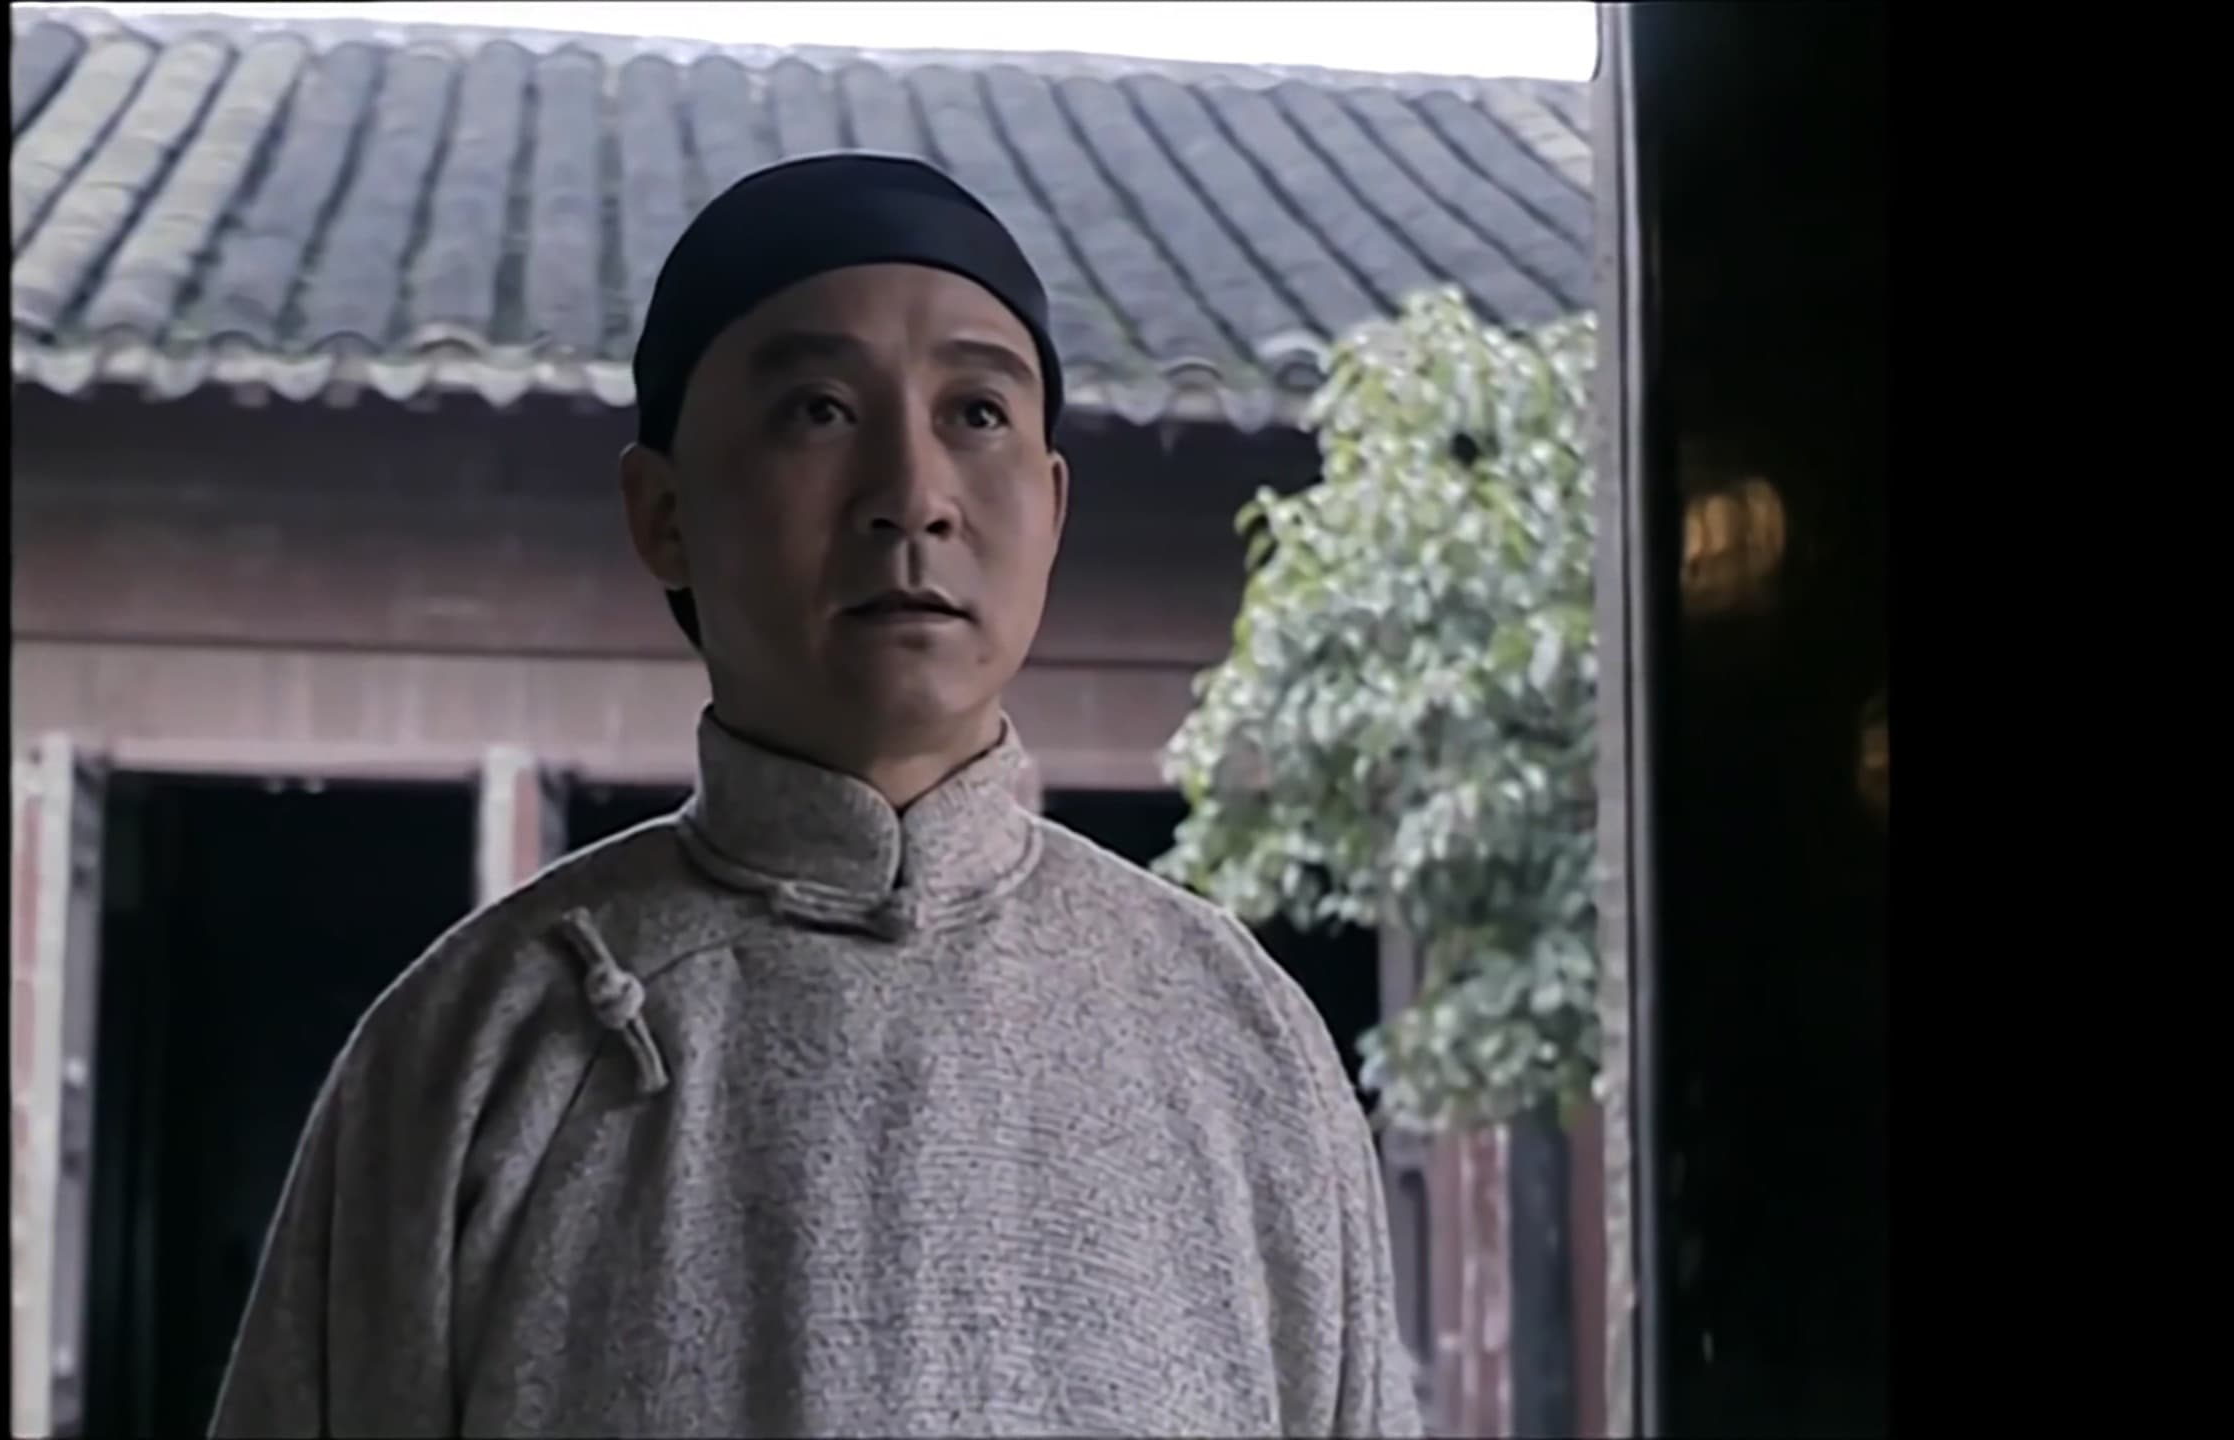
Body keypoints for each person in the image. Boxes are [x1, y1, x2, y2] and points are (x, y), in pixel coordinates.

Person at [212, 151, 1424, 1439]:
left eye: (978, 413)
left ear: (1053, 506)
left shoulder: (1239, 1040)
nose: (914, 498)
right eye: (819, 411)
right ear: (664, 513)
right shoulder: (478, 1047)